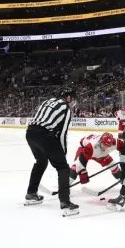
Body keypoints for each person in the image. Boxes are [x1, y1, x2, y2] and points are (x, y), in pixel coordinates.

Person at [24, 86, 78, 216]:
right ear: (68, 97)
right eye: (72, 98)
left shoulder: (47, 101)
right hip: (44, 136)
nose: (72, 101)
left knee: (41, 161)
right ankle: (65, 203)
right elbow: (62, 133)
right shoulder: (65, 108)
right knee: (63, 168)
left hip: (30, 133)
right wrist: (62, 152)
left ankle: (31, 193)